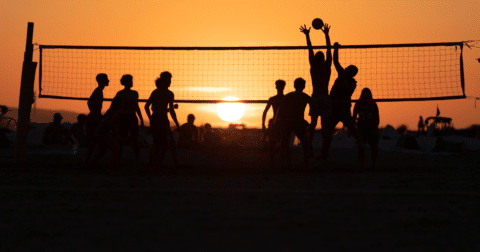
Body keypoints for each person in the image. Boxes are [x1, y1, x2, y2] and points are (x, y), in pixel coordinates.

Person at [322, 42, 365, 164]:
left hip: (343, 108)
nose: (346, 70)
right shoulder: (341, 74)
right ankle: (325, 153)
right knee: (328, 130)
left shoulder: (352, 83)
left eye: (348, 70)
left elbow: (347, 89)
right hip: (333, 106)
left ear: (352, 73)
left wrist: (341, 85)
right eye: (346, 69)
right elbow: (336, 61)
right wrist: (336, 49)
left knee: (351, 128)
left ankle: (361, 145)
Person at [300, 23, 333, 159]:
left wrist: (308, 35)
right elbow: (328, 50)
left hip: (318, 98)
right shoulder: (326, 66)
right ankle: (321, 151)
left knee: (314, 126)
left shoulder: (316, 66)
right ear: (323, 58)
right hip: (323, 98)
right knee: (323, 127)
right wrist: (326, 35)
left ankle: (313, 151)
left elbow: (310, 50)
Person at [271, 78, 319, 171]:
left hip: (288, 122)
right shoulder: (305, 96)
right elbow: (316, 110)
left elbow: (279, 111)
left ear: (294, 86)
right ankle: (305, 166)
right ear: (304, 86)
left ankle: (283, 165)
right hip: (298, 122)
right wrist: (313, 123)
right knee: (305, 144)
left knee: (284, 144)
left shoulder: (289, 96)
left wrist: (276, 122)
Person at [145, 71, 181, 169]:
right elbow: (147, 106)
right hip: (160, 119)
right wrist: (177, 124)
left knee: (159, 144)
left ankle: (154, 164)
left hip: (160, 119)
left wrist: (151, 118)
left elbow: (147, 107)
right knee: (162, 145)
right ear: (164, 81)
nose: (170, 82)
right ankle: (156, 165)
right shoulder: (167, 93)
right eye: (169, 80)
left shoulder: (157, 92)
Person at [114, 74, 145, 167]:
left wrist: (141, 118)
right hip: (123, 117)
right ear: (125, 82)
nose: (132, 82)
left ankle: (137, 160)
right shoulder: (120, 94)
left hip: (132, 117)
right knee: (122, 141)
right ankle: (118, 159)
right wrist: (116, 120)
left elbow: (137, 106)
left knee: (135, 140)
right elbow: (116, 107)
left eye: (131, 80)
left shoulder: (135, 93)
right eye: (130, 80)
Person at [85, 97, 122, 171]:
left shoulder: (110, 111)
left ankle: (89, 165)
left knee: (102, 151)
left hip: (98, 132)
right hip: (103, 132)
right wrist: (117, 135)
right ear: (120, 104)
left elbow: (110, 123)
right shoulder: (116, 112)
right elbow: (111, 123)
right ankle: (110, 168)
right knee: (116, 150)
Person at [352, 88, 379, 170]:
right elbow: (353, 117)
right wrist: (353, 129)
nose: (366, 95)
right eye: (364, 93)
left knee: (373, 147)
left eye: (367, 94)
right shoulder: (358, 103)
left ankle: (373, 165)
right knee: (361, 146)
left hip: (371, 127)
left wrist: (375, 128)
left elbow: (377, 118)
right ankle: (361, 164)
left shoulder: (373, 104)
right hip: (361, 127)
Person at [85, 74, 109, 164]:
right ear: (102, 80)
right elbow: (90, 103)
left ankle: (89, 162)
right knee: (96, 142)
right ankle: (89, 162)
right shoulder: (98, 91)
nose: (108, 81)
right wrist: (96, 114)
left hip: (94, 117)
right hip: (94, 118)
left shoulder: (98, 91)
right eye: (106, 79)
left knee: (95, 142)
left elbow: (89, 102)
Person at [261, 80, 286, 168]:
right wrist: (263, 124)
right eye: (278, 86)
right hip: (278, 123)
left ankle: (277, 164)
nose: (279, 88)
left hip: (281, 123)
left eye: (279, 86)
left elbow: (264, 112)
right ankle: (275, 164)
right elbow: (264, 112)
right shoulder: (275, 99)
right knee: (274, 144)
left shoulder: (284, 98)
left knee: (278, 144)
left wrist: (263, 124)